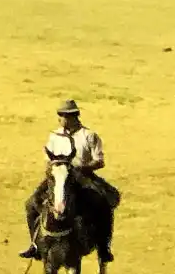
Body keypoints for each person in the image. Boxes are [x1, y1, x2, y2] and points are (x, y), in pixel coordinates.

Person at [20, 100, 120, 263]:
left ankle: (103, 247)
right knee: (31, 204)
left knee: (102, 203)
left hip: (82, 176)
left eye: (62, 115)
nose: (59, 118)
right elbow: (48, 160)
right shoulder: (54, 135)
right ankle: (35, 245)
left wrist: (81, 168)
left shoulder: (88, 136)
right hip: (58, 177)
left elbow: (99, 161)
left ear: (72, 116)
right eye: (59, 115)